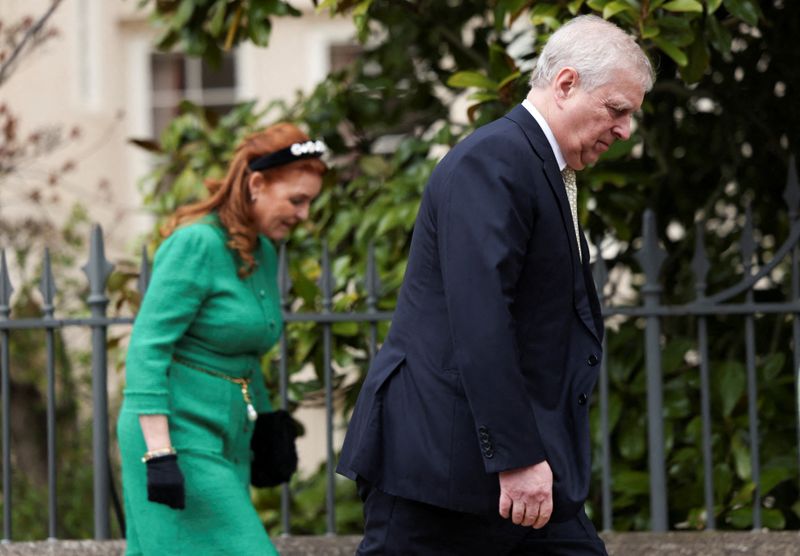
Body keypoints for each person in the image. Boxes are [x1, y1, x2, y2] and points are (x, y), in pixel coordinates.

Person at [337, 14, 654, 555]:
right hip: (441, 474)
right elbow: (480, 320)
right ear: (566, 83)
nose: (625, 130)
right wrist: (517, 457)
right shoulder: (495, 159)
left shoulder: (536, 163)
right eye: (617, 109)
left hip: (510, 471)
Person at [116, 122, 326, 555]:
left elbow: (244, 353)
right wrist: (159, 453)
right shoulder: (196, 244)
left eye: (309, 202)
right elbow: (147, 347)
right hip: (176, 436)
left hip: (228, 439)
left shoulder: (261, 250)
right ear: (256, 184)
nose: (304, 214)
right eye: (297, 200)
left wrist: (266, 424)